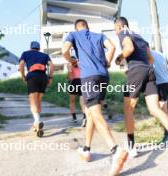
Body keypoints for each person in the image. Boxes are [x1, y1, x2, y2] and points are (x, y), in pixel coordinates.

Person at [114, 17, 168, 162]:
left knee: (128, 108)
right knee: (154, 109)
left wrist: (119, 58)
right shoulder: (140, 37)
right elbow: (150, 59)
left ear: (119, 27)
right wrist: (140, 69)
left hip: (138, 71)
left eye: (115, 29)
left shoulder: (124, 33)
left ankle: (131, 146)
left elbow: (129, 48)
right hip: (149, 71)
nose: (116, 32)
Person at [62, 19, 128, 175]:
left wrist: (71, 61)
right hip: (103, 76)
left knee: (95, 113)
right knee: (91, 112)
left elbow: (64, 50)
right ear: (87, 26)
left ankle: (115, 149)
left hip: (89, 77)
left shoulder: (73, 35)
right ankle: (86, 148)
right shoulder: (99, 36)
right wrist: (107, 61)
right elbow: (112, 47)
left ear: (76, 27)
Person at [19, 41, 54, 135]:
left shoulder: (25, 53)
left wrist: (23, 76)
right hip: (43, 78)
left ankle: (37, 122)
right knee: (38, 100)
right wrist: (50, 78)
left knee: (33, 101)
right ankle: (35, 123)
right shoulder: (44, 55)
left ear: (31, 47)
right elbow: (52, 65)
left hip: (32, 76)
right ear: (38, 48)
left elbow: (21, 64)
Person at [152, 50, 168, 142]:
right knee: (161, 109)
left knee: (162, 109)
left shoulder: (145, 53)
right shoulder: (162, 54)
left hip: (160, 83)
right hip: (166, 82)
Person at [67, 56, 86, 126]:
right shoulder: (81, 64)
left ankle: (74, 118)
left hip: (74, 82)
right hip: (82, 82)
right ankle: (84, 117)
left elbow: (69, 78)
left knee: (72, 101)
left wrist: (69, 70)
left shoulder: (70, 65)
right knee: (82, 102)